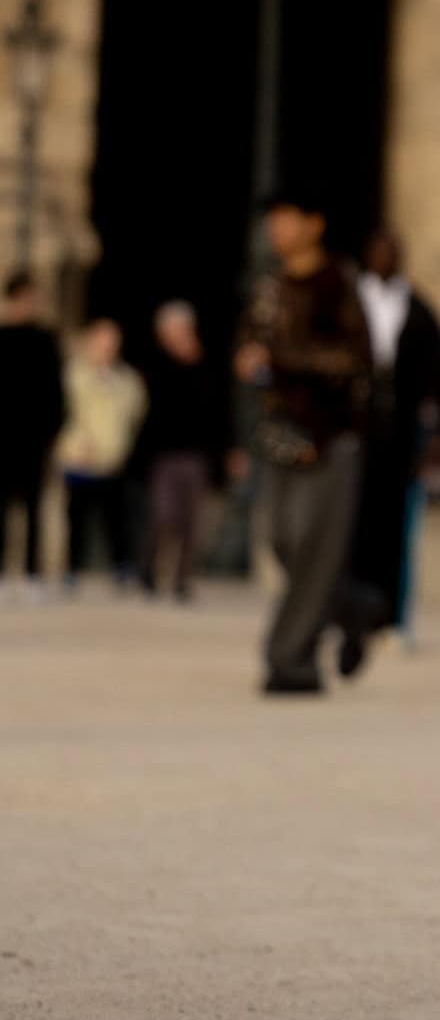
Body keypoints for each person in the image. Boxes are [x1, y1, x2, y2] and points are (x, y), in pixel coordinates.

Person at [237, 192, 372, 696]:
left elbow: (355, 359)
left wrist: (284, 357)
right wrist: (251, 359)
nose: (277, 230)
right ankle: (351, 605)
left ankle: (289, 659)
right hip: (281, 435)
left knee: (314, 547)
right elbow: (251, 340)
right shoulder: (270, 285)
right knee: (281, 539)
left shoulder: (339, 283)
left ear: (314, 223)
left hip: (330, 435)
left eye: (286, 219)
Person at [347, 227, 440, 662]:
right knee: (350, 526)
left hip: (400, 436)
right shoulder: (350, 303)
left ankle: (393, 618)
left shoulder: (419, 309)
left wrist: (436, 435)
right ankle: (351, 614)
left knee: (396, 530)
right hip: (356, 431)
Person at [136, 301, 221, 600]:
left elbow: (215, 410)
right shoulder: (154, 364)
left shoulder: (203, 365)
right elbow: (152, 407)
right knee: (164, 515)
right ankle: (148, 570)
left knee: (192, 521)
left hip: (196, 453)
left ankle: (182, 579)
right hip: (164, 453)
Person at [59, 318, 149, 589]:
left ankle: (121, 566)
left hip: (113, 458)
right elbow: (66, 412)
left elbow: (136, 413)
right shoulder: (73, 374)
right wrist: (74, 443)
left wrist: (122, 445)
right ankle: (72, 568)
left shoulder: (126, 378)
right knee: (77, 519)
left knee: (117, 518)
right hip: (80, 457)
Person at [0, 270, 64, 597]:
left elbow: (55, 391)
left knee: (35, 505)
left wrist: (54, 430)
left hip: (35, 437)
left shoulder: (45, 339)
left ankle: (32, 574)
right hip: (3, 436)